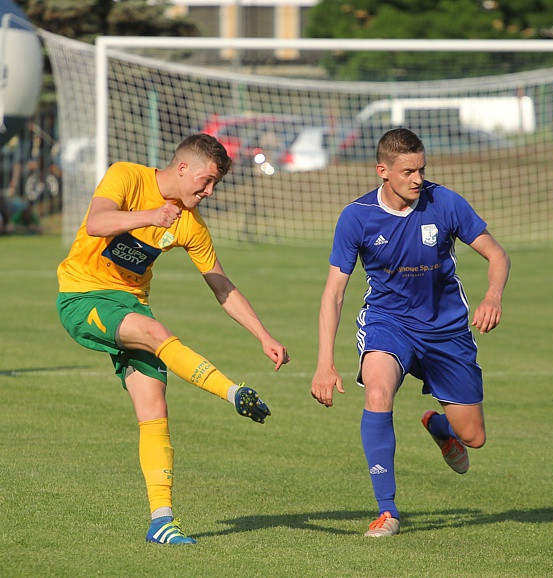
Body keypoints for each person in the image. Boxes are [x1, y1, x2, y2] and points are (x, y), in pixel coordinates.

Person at [56, 133, 290, 545]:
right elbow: (96, 223)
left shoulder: (191, 225)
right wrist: (149, 216)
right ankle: (233, 393)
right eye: (206, 180)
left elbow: (222, 287)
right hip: (83, 296)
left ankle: (161, 520)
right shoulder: (126, 175)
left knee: (154, 405)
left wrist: (264, 336)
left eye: (215, 184)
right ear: (182, 168)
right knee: (156, 332)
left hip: (130, 304)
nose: (209, 190)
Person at [311, 128, 510, 537]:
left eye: (421, 169)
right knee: (378, 392)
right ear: (383, 171)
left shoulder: (446, 202)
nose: (417, 178)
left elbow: (497, 254)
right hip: (389, 322)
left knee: (473, 437)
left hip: (447, 330)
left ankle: (441, 428)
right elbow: (334, 293)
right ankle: (387, 511)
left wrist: (492, 296)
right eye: (407, 171)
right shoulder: (357, 217)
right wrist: (324, 363)